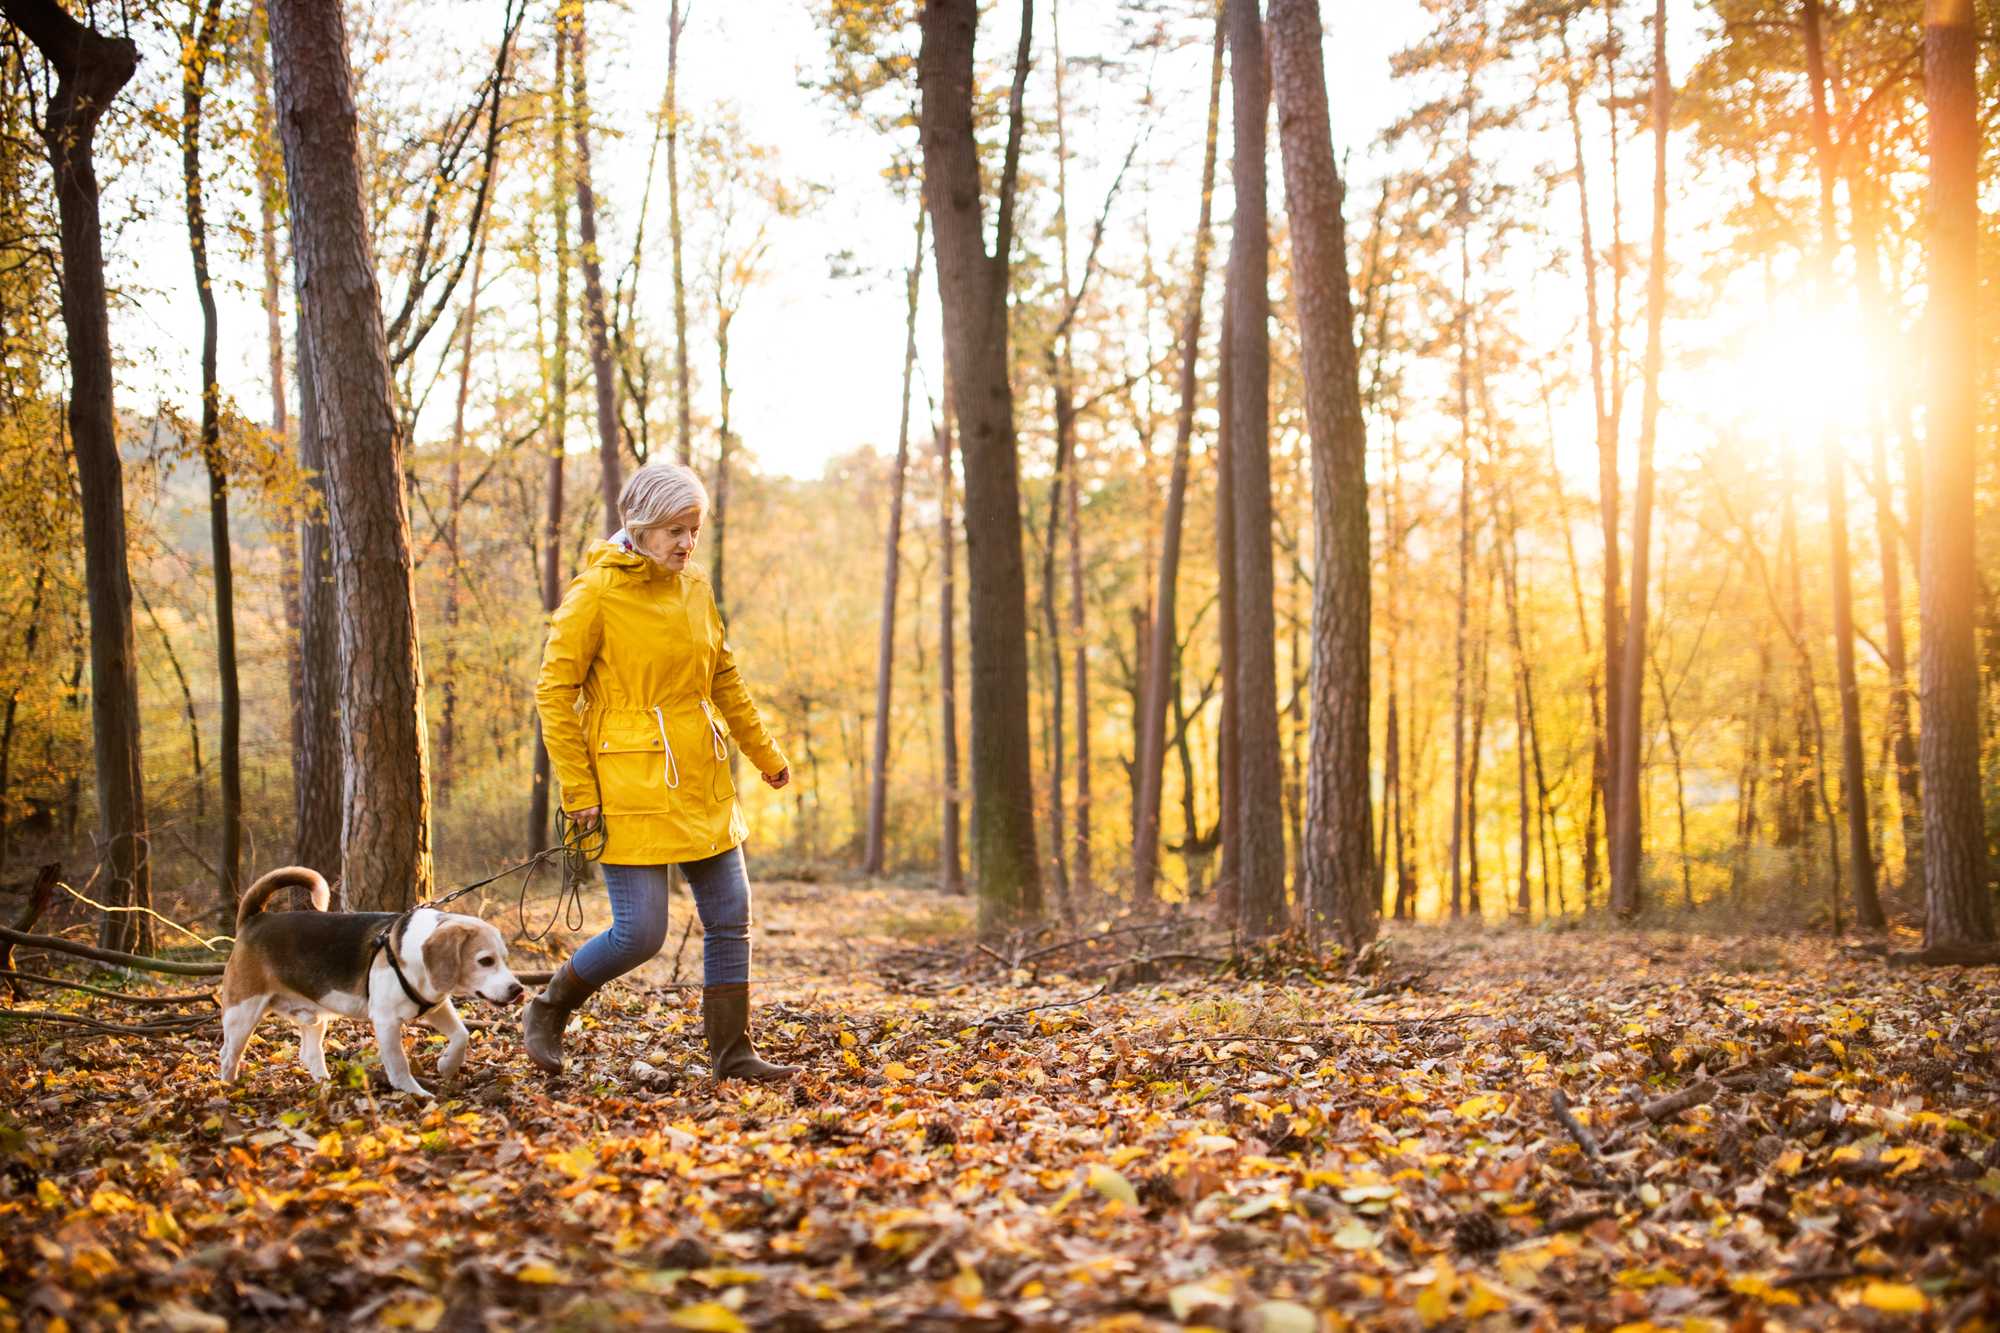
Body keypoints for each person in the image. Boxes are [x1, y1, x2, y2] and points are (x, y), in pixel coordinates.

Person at [525, 462, 797, 1080]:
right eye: (675, 529)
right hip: (627, 784)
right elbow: (554, 690)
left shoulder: (694, 590)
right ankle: (548, 1006)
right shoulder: (594, 593)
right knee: (640, 933)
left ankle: (733, 1054)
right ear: (640, 526)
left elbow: (724, 678)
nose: (686, 542)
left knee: (731, 914)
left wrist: (766, 755)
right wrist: (578, 789)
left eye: (694, 529)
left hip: (701, 777)